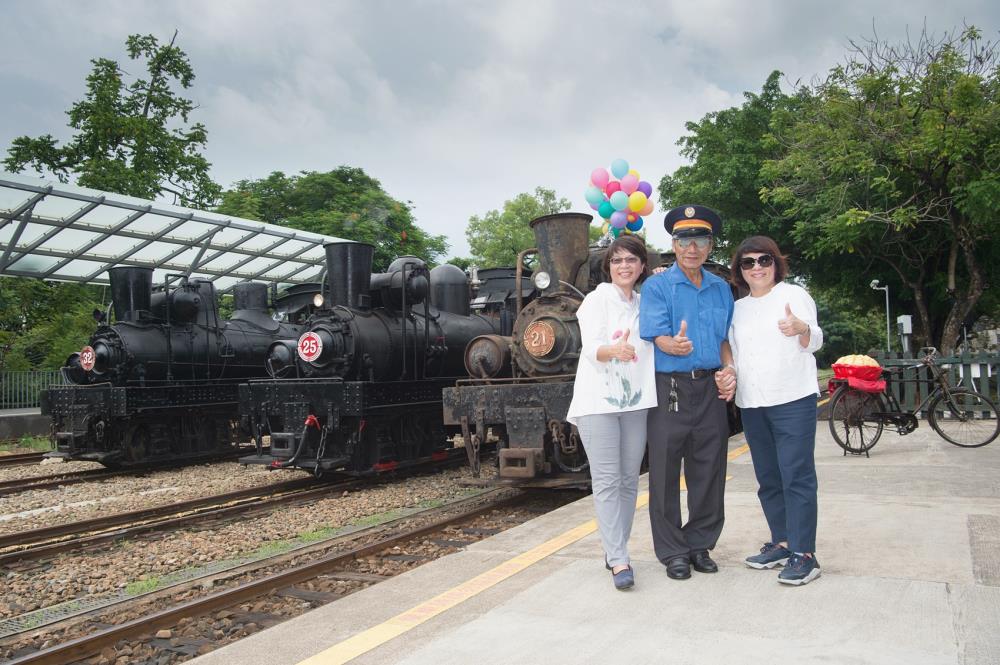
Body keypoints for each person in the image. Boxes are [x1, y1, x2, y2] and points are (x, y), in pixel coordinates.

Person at [639, 205, 736, 580]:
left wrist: (729, 368)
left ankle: (699, 544)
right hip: (671, 388)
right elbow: (656, 333)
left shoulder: (721, 289)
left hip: (710, 386)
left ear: (710, 244)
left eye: (699, 239)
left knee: (709, 469)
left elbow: (725, 339)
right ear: (674, 244)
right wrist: (669, 343)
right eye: (683, 240)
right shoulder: (658, 285)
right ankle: (672, 551)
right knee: (664, 471)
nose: (691, 247)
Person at [728, 235, 823, 585]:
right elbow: (735, 354)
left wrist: (802, 329)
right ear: (740, 270)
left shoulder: (793, 295)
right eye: (748, 262)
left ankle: (805, 554)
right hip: (753, 402)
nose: (756, 268)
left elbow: (815, 340)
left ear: (775, 263)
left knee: (796, 474)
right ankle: (782, 542)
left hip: (792, 399)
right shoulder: (738, 308)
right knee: (768, 478)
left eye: (763, 260)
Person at [567, 234, 657, 591]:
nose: (624, 266)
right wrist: (613, 352)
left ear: (642, 265)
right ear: (609, 266)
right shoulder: (596, 299)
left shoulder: (644, 301)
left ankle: (614, 546)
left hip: (636, 402)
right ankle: (619, 558)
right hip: (597, 403)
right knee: (606, 481)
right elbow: (591, 349)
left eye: (631, 260)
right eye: (617, 260)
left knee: (628, 480)